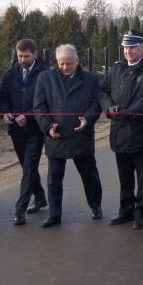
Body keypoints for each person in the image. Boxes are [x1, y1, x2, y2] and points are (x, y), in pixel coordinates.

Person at [33, 44, 103, 227]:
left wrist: (87, 119)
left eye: (69, 64)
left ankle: (96, 206)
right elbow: (39, 108)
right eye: (61, 63)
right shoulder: (45, 78)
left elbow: (97, 104)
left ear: (77, 61)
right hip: (56, 136)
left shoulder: (91, 79)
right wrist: (48, 128)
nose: (65, 67)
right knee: (54, 180)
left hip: (82, 134)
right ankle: (54, 215)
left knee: (89, 175)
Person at [98, 29, 143, 229]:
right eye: (126, 47)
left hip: (141, 133)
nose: (128, 51)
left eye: (132, 47)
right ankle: (125, 210)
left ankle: (142, 213)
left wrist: (129, 113)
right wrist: (109, 108)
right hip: (119, 133)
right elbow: (103, 92)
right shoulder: (116, 68)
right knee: (124, 177)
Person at [0, 39, 49, 225]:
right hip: (15, 129)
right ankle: (41, 197)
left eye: (26, 56)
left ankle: (20, 210)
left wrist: (29, 116)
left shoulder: (45, 74)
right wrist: (4, 113)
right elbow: (2, 96)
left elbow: (46, 102)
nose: (23, 59)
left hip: (35, 128)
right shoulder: (9, 74)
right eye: (20, 56)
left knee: (29, 167)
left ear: (35, 54)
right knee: (26, 166)